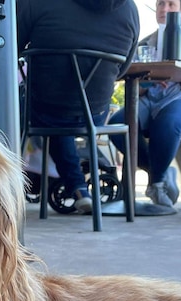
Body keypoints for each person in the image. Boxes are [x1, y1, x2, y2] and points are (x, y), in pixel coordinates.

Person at [17, 0, 139, 215]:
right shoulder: (129, 9)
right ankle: (79, 189)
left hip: (44, 108)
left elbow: (9, 47)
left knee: (36, 107)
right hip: (95, 113)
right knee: (68, 106)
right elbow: (123, 68)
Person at [109, 0, 181, 208]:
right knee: (117, 125)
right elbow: (136, 86)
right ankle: (160, 169)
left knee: (168, 122)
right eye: (161, 4)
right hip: (151, 100)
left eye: (171, 4)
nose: (165, 9)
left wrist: (172, 73)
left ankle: (157, 184)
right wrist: (148, 80)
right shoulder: (146, 43)